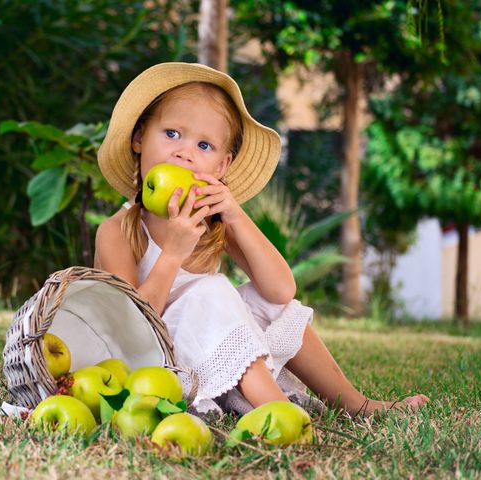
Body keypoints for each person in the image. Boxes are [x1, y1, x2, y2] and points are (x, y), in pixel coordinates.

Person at [95, 62, 429, 417]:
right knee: (211, 290)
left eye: (204, 145)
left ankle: (353, 402)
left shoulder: (212, 225)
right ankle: (277, 409)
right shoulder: (118, 230)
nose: (185, 152)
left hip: (213, 356)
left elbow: (281, 292)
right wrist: (173, 252)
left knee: (270, 304)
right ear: (139, 138)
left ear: (221, 168)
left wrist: (236, 216)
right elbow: (130, 327)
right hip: (155, 365)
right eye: (172, 134)